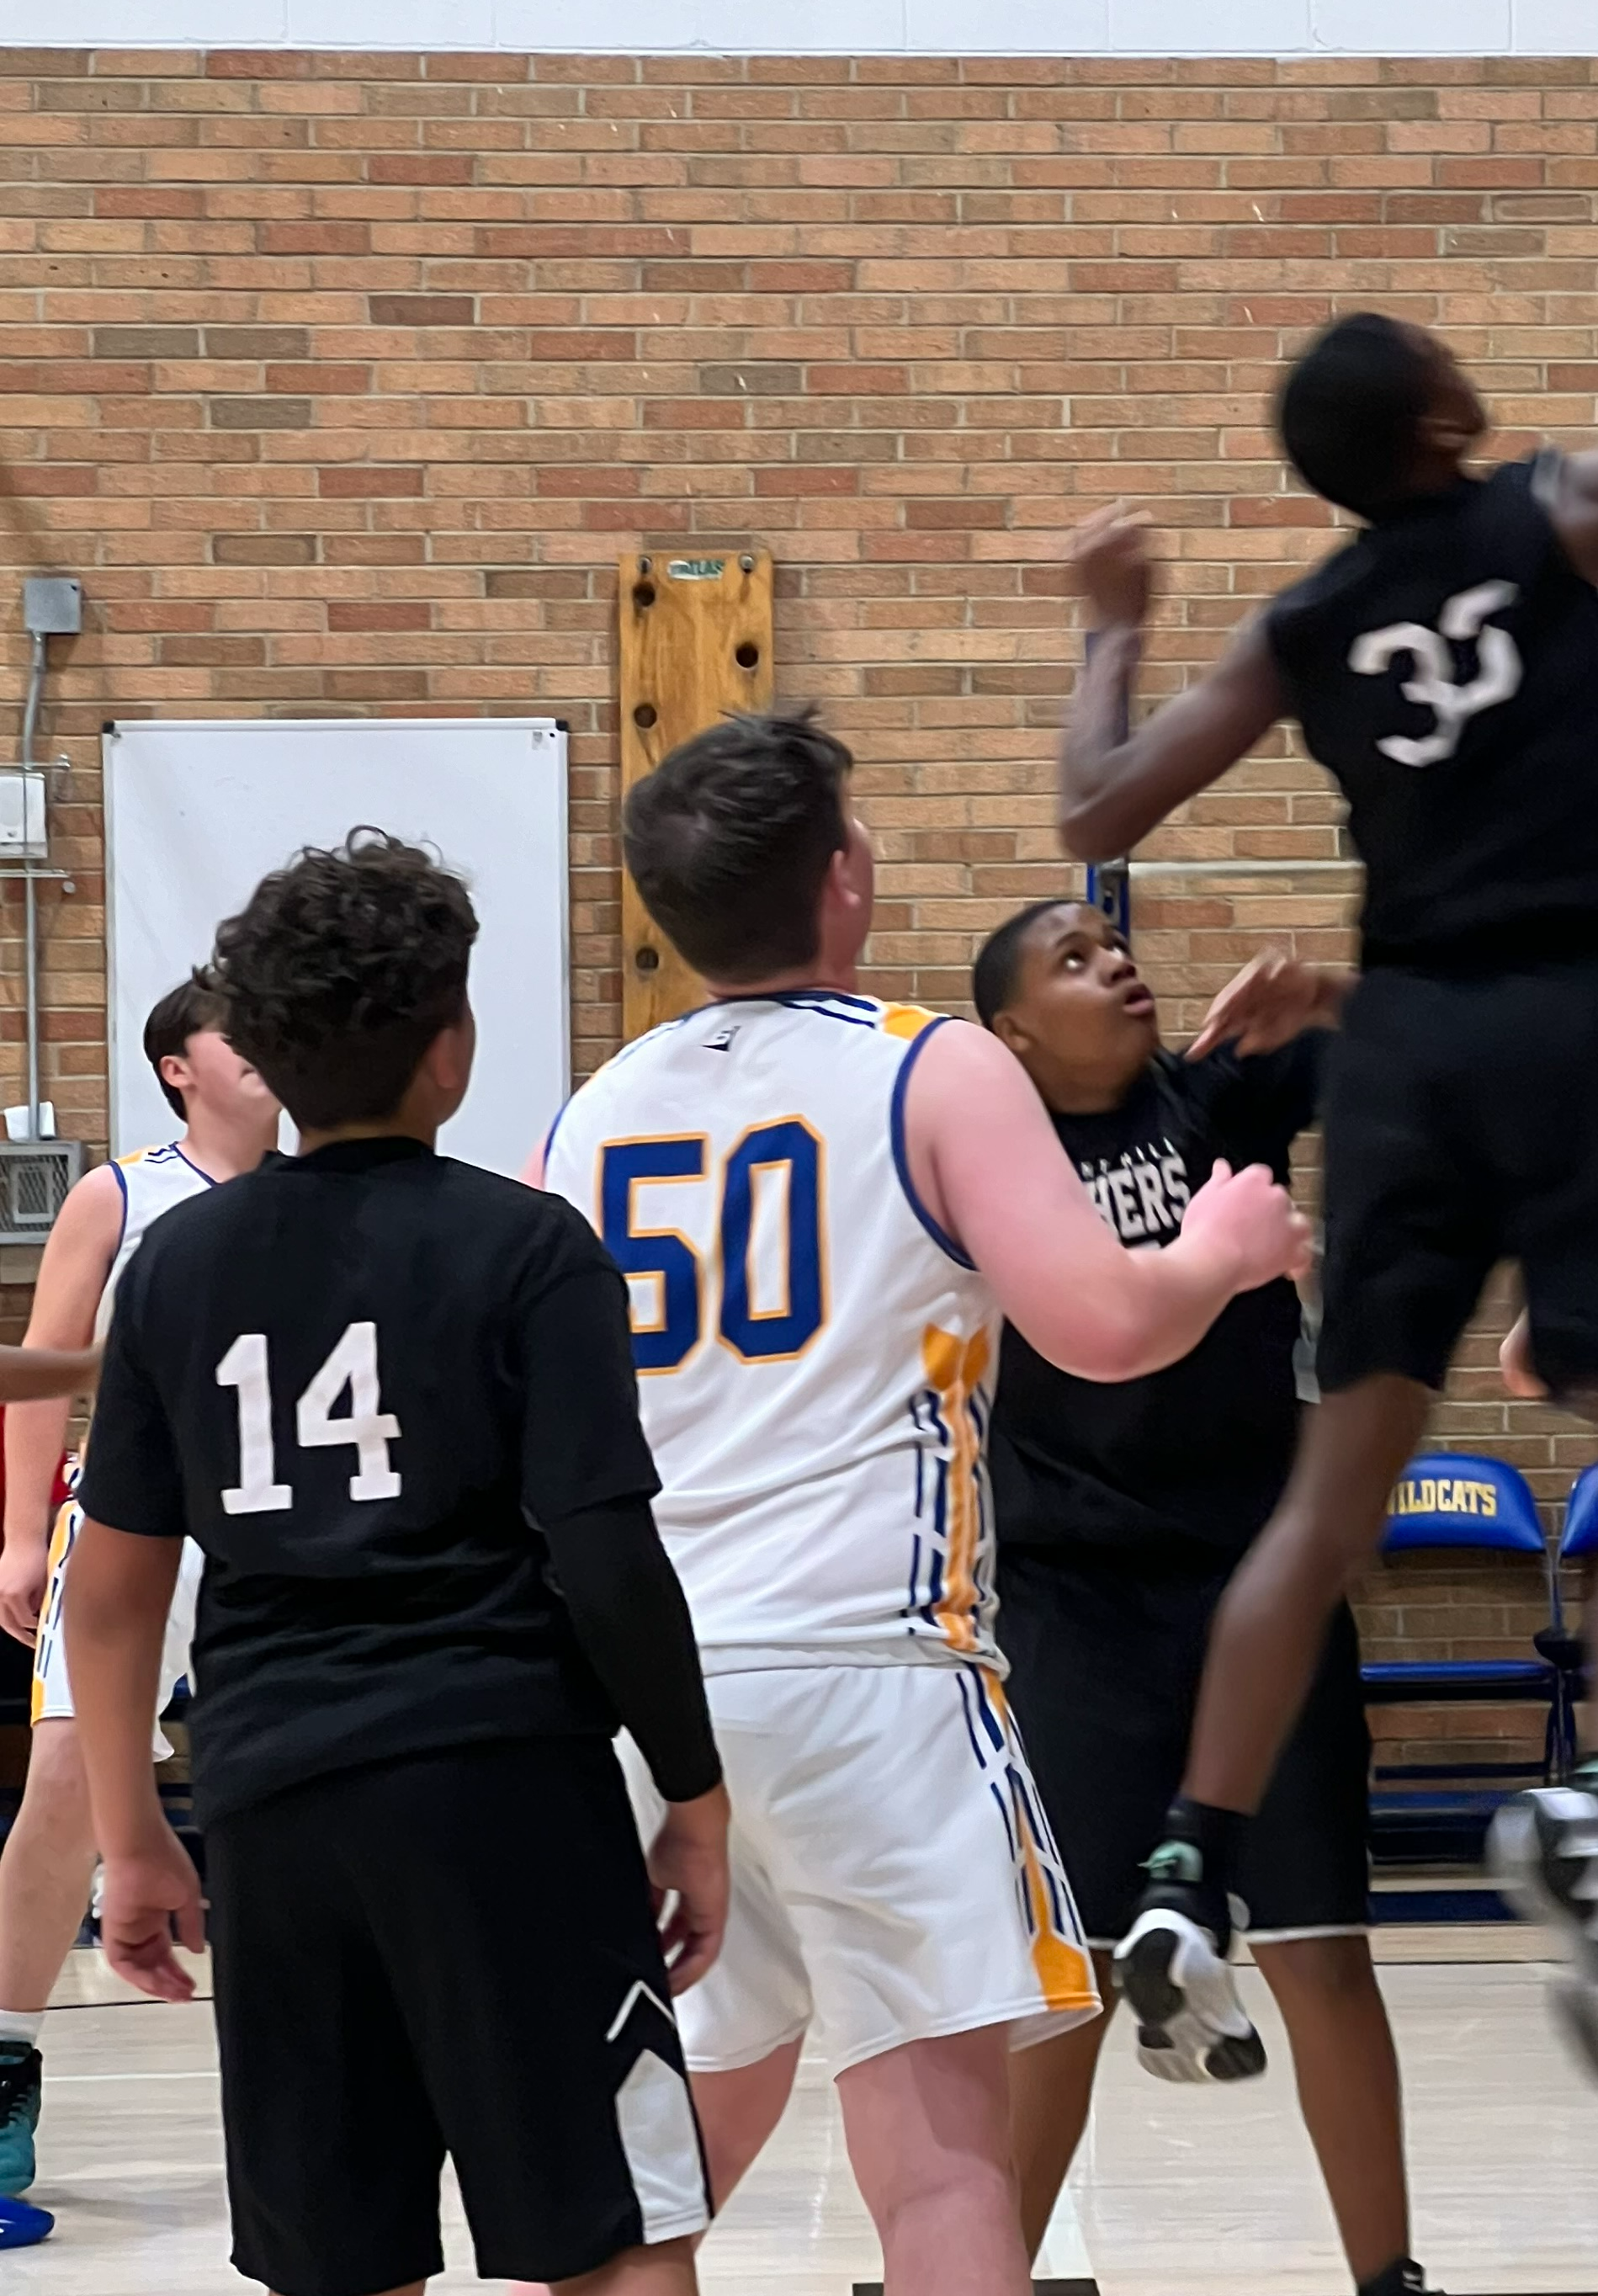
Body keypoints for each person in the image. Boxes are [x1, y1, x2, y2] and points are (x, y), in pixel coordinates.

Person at [1050, 37, 1598, 2105]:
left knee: (1326, 1501)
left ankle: (1181, 1869)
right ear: (1452, 419)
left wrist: (1110, 624)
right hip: (1583, 1022)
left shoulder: (1305, 626)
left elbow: (1100, 807)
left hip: (1398, 1052)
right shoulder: (1563, 512)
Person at [540, 711, 1311, 2296]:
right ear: (844, 878)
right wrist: (1226, 1252)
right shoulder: (926, 1059)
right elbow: (1103, 1328)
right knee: (946, 2161)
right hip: (875, 1675)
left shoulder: (596, 1109)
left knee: (660, 2153)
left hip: (650, 1687)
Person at [66, 832, 732, 2296]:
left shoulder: (173, 1269)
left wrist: (131, 1837)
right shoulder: (530, 1249)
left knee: (340, 2253)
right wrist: (694, 1793)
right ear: (451, 1048)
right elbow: (607, 1556)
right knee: (611, 2227)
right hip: (502, 1790)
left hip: (273, 1804)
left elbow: (108, 1601)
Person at [977, 901, 1433, 2296]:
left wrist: (1333, 994)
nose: (1115, 963)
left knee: (1318, 1950)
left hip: (1259, 1595)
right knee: (1075, 1982)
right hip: (1075, 1609)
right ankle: (985, 2271)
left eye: (1116, 946)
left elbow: (1426, 1042)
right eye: (1073, 957)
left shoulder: (1220, 1092)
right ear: (1010, 1033)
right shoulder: (983, 1162)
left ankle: (1390, 2278)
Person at [0, 980, 280, 2202]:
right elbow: (39, 1376)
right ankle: (8, 2059)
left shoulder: (330, 1184)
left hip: (284, 1523)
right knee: (67, 1777)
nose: (264, 1049)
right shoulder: (121, 1194)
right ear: (178, 1066)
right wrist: (20, 1535)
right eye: (237, 1034)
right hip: (134, 1519)